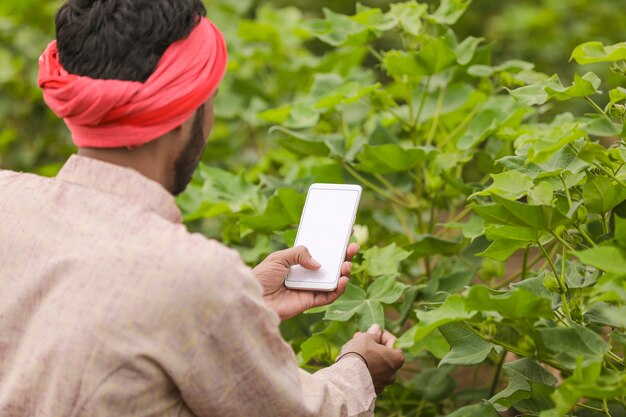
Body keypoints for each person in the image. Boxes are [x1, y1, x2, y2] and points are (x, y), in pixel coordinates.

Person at [0, 1, 404, 416]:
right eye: (209, 98)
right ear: (181, 111)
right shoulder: (194, 277)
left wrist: (239, 306)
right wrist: (360, 370)